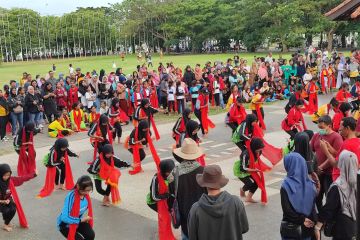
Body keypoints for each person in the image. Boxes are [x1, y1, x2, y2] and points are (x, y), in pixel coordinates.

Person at [188, 164, 249, 240]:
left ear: (204, 184)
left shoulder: (196, 209)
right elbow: (244, 228)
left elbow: (192, 237)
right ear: (220, 182)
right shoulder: (236, 202)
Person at [168, 138, 206, 240]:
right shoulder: (204, 171)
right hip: (204, 216)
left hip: (185, 217)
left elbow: (171, 196)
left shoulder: (173, 174)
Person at [314, 150, 357, 240]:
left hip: (342, 228)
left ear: (340, 164)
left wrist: (318, 226)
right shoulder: (356, 182)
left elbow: (329, 209)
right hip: (355, 226)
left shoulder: (338, 186)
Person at [280, 152, 317, 240]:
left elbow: (287, 210)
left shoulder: (286, 185)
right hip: (308, 227)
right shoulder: (311, 184)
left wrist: (302, 220)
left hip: (291, 228)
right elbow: (313, 207)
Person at [310, 115, 343, 209]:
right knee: (317, 196)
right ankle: (320, 217)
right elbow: (311, 150)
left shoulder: (336, 137)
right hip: (317, 172)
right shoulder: (317, 135)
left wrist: (322, 167)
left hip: (330, 173)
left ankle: (328, 220)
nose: (320, 129)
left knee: (329, 197)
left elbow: (335, 155)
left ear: (329, 125)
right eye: (318, 127)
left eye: (322, 127)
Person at [321, 117, 360, 181]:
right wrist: (331, 149)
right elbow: (343, 157)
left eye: (341, 126)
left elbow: (336, 164)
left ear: (347, 128)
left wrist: (326, 151)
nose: (339, 129)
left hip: (342, 180)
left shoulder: (347, 144)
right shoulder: (358, 141)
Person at [0, 164, 36, 232]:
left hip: (7, 199)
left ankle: (6, 223)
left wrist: (34, 174)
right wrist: (3, 201)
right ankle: (6, 223)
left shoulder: (10, 180)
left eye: (8, 175)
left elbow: (22, 178)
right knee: (6, 210)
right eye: (4, 175)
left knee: (13, 208)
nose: (6, 177)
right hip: (1, 201)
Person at [57, 175, 95, 240]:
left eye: (89, 190)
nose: (86, 193)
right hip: (65, 225)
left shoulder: (86, 197)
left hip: (77, 222)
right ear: (77, 186)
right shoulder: (71, 197)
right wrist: (80, 220)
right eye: (84, 191)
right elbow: (64, 217)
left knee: (90, 235)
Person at [234, 137, 265, 203]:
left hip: (250, 168)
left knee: (257, 182)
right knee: (249, 184)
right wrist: (254, 170)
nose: (260, 150)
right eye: (259, 148)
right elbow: (243, 168)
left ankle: (249, 198)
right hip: (241, 170)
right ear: (254, 147)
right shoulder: (245, 154)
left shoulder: (259, 151)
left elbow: (255, 161)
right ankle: (242, 190)